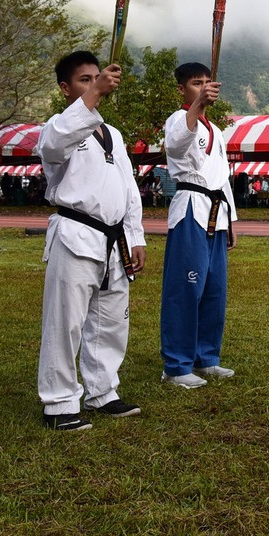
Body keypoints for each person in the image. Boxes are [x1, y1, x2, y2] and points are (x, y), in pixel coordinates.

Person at [35, 51, 147, 431]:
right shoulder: (57, 127)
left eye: (98, 77)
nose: (95, 83)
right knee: (66, 321)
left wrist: (135, 236)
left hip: (112, 239)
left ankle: (103, 391)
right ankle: (59, 402)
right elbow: (52, 148)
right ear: (65, 88)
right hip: (75, 232)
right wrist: (92, 97)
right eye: (85, 79)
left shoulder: (112, 133)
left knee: (111, 318)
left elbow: (128, 189)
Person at [160, 62, 238, 389]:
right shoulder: (179, 118)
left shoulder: (217, 131)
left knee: (213, 290)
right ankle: (177, 366)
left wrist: (231, 218)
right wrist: (197, 105)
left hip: (216, 211)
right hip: (190, 206)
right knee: (186, 288)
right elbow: (176, 145)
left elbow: (223, 178)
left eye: (207, 82)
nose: (203, 87)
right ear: (182, 89)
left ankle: (206, 358)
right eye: (196, 83)